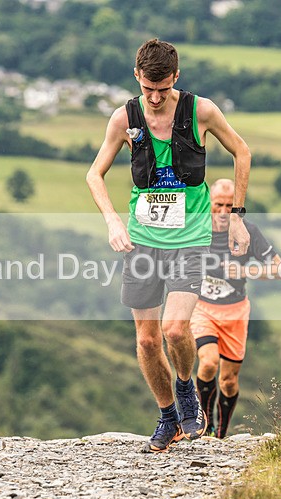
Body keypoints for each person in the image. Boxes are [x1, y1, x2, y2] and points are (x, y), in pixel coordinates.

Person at [86, 39, 252, 453]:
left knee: (175, 330)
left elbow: (242, 152)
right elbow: (94, 175)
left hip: (190, 239)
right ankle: (168, 418)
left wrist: (237, 217)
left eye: (163, 88)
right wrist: (111, 220)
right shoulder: (123, 118)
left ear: (176, 77)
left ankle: (184, 389)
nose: (156, 98)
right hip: (142, 241)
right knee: (145, 341)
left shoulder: (202, 111)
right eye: (148, 90)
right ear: (137, 79)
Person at [191, 179, 281, 439]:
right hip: (202, 309)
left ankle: (221, 433)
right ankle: (205, 425)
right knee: (208, 362)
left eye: (229, 206)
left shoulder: (249, 232)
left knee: (229, 381)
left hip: (235, 312)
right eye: (218, 205)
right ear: (208, 204)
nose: (223, 212)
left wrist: (246, 270)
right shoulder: (195, 227)